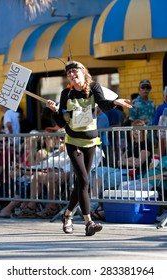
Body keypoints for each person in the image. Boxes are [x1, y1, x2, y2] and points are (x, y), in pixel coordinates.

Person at [46, 60, 132, 236]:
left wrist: (116, 102)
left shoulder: (94, 87)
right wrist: (54, 111)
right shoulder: (66, 94)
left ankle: (68, 214)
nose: (71, 74)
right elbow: (62, 123)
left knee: (80, 184)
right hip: (73, 142)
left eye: (74, 70)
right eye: (68, 72)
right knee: (84, 181)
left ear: (83, 72)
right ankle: (89, 223)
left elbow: (104, 104)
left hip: (91, 142)